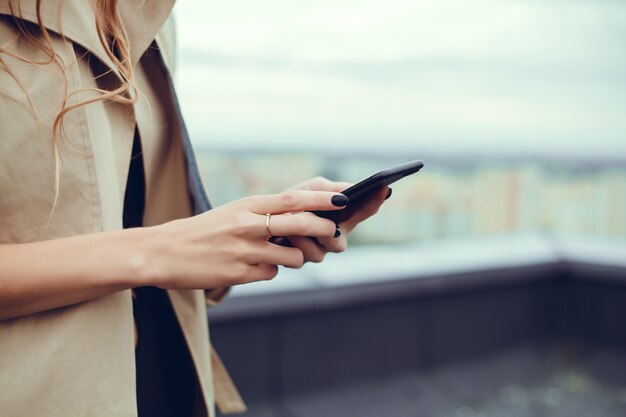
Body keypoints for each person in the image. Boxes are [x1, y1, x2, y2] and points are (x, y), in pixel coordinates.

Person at [0, 1, 390, 416]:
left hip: (161, 379)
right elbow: (155, 246)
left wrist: (260, 228)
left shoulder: (148, 17)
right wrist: (158, 250)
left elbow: (135, 213)